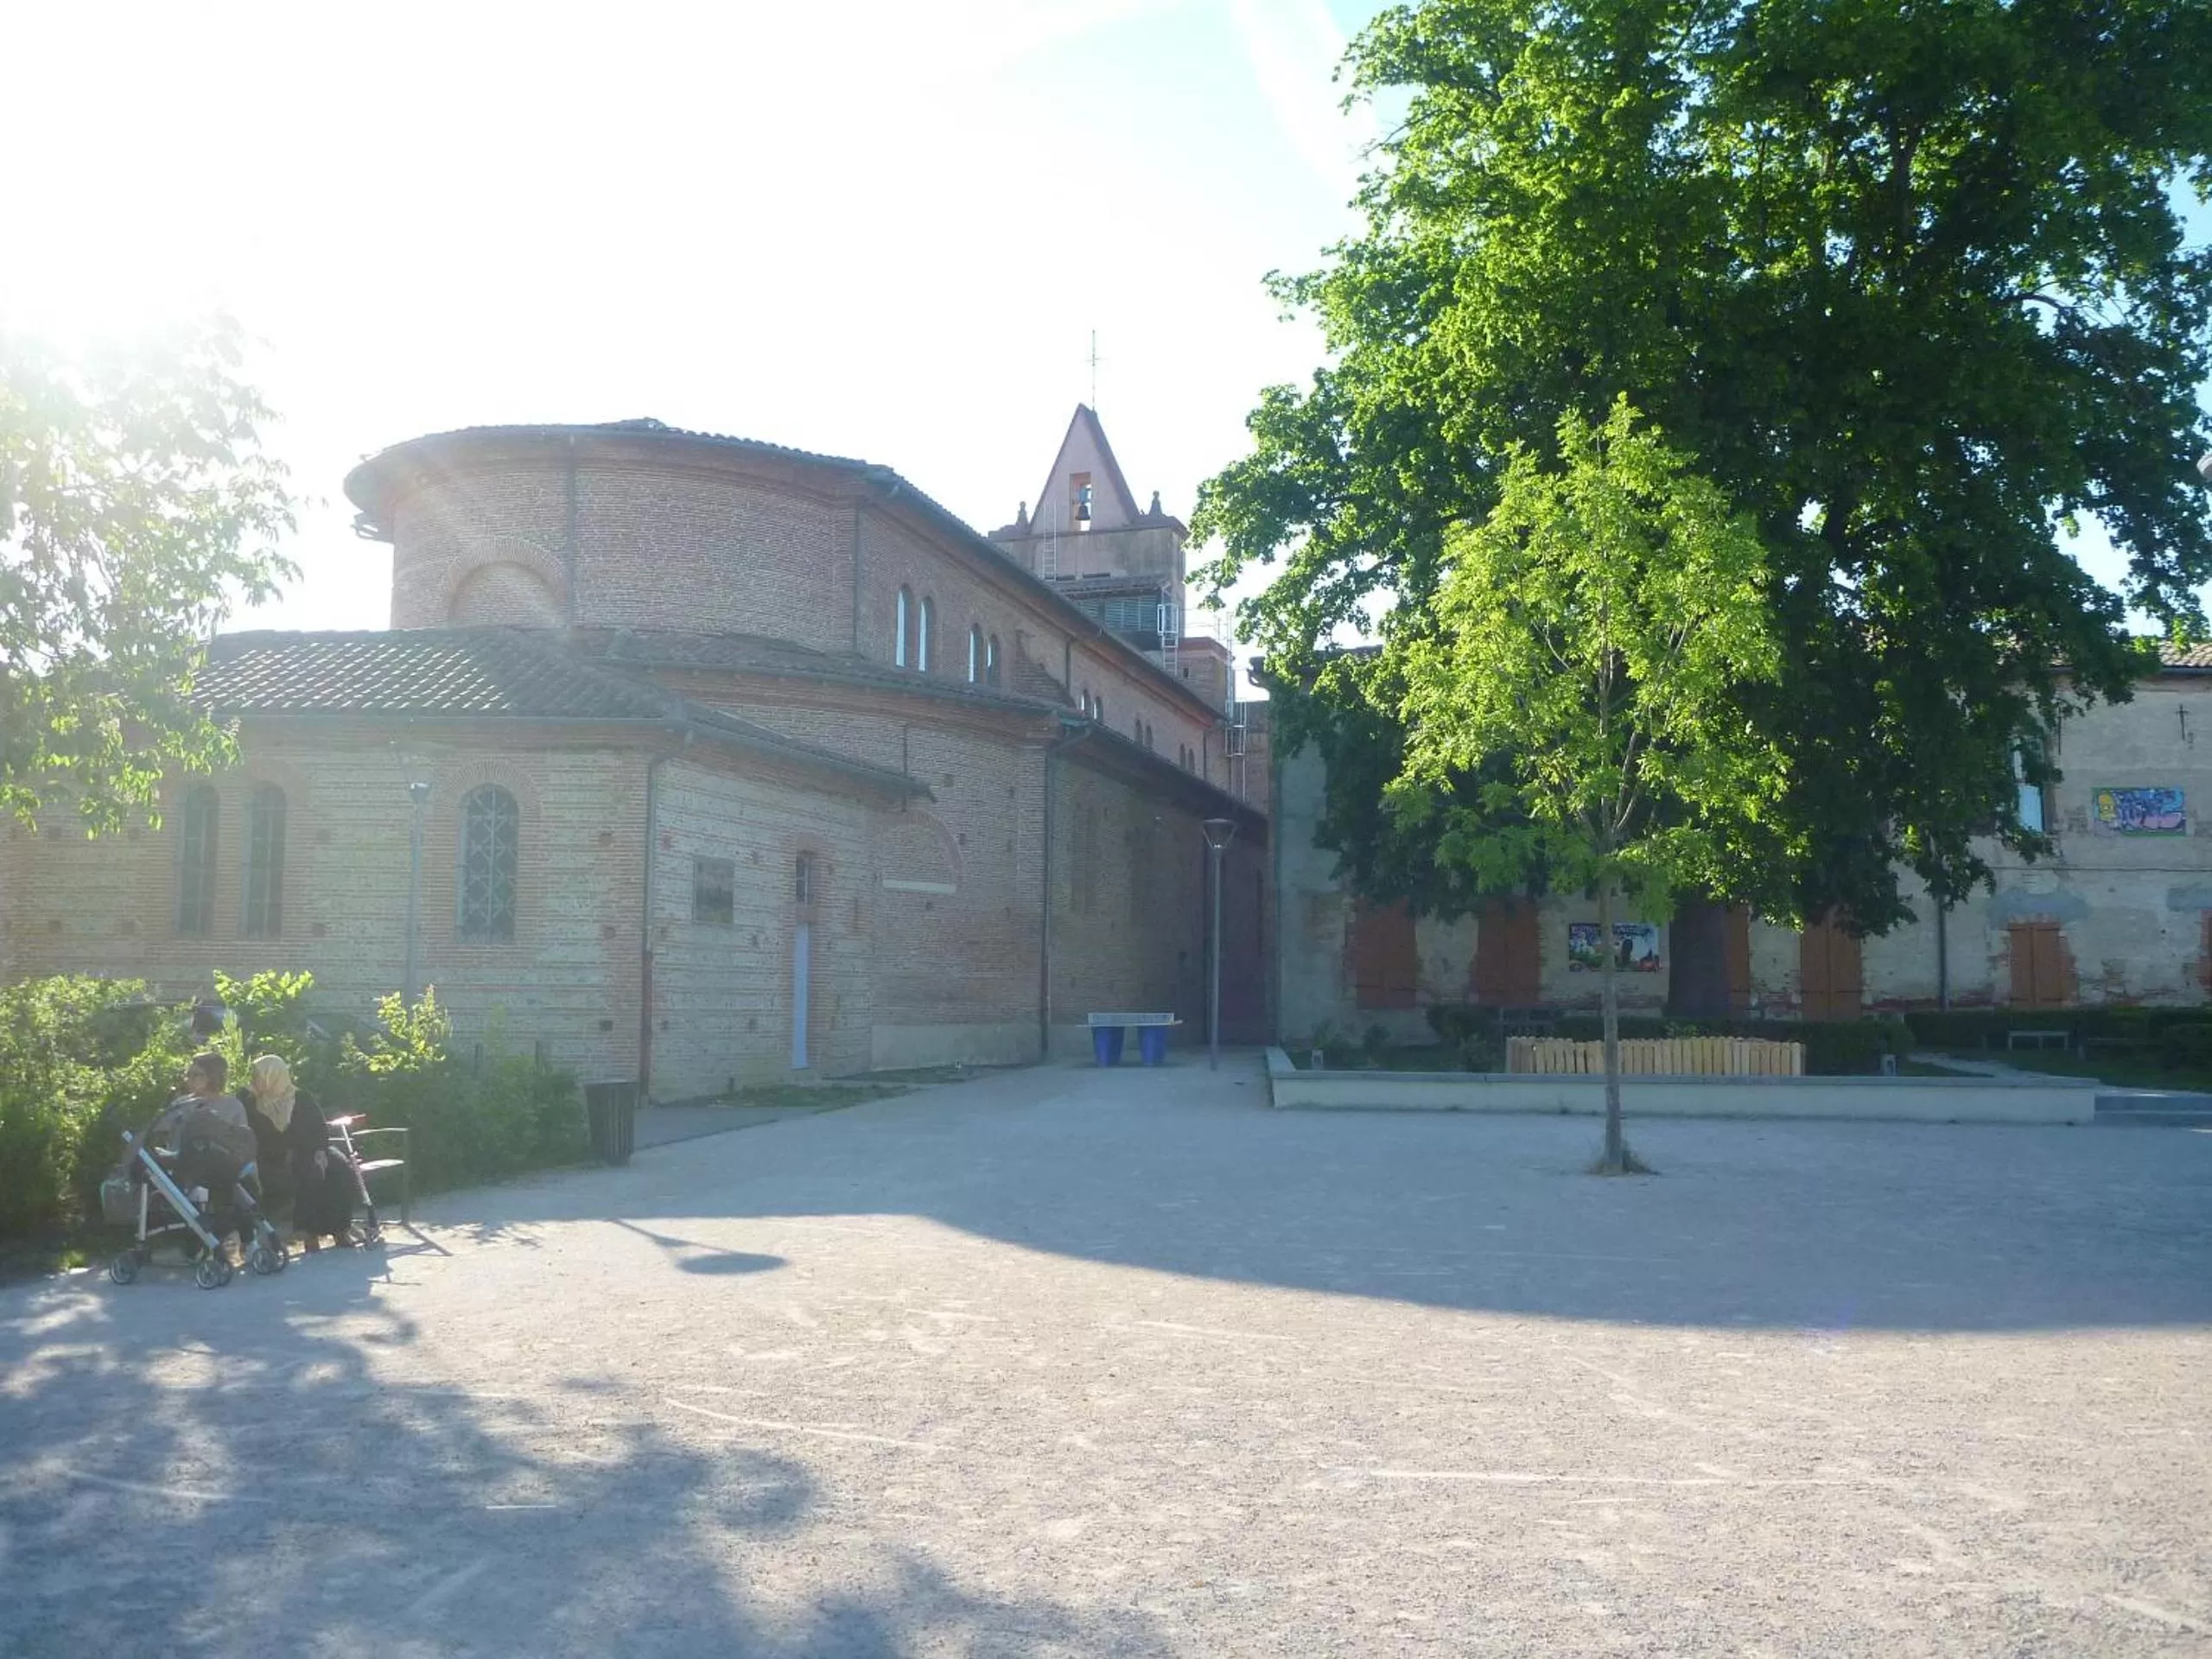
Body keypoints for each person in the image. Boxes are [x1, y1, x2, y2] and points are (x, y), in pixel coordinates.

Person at [143, 1052, 260, 1262]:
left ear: (213, 1077)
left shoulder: (232, 1105)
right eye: (188, 1074)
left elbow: (241, 1142)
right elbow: (157, 1130)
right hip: (187, 1166)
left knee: (235, 1183)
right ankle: (195, 1242)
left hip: (223, 1166)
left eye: (196, 1074)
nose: (189, 1078)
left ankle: (248, 1240)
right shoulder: (181, 1104)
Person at [246, 1054, 354, 1252]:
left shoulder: (300, 1097)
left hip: (313, 1149)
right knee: (309, 1172)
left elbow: (319, 1127)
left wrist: (320, 1150)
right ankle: (309, 1233)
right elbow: (256, 1137)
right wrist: (285, 1151)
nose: (255, 1079)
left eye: (259, 1075)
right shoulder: (251, 1104)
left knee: (340, 1167)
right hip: (274, 1158)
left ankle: (340, 1229)